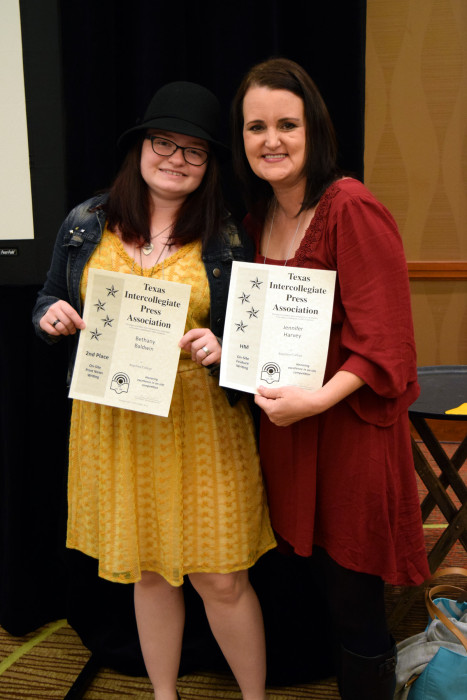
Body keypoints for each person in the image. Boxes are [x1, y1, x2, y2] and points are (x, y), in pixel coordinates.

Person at [32, 81, 275, 700]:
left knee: (221, 579)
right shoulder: (87, 222)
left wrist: (221, 346)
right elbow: (47, 300)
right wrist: (51, 318)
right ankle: (163, 697)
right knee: (148, 574)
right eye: (163, 143)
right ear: (140, 148)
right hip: (114, 419)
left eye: (193, 151)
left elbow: (250, 335)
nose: (176, 159)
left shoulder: (225, 236)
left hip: (200, 424)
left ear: (209, 165)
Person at [230, 57, 430, 699]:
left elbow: (386, 344)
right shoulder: (262, 218)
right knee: (321, 586)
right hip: (292, 433)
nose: (272, 140)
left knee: (354, 601)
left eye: (287, 124)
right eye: (256, 126)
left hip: (347, 435)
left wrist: (317, 398)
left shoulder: (351, 206)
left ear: (313, 129)